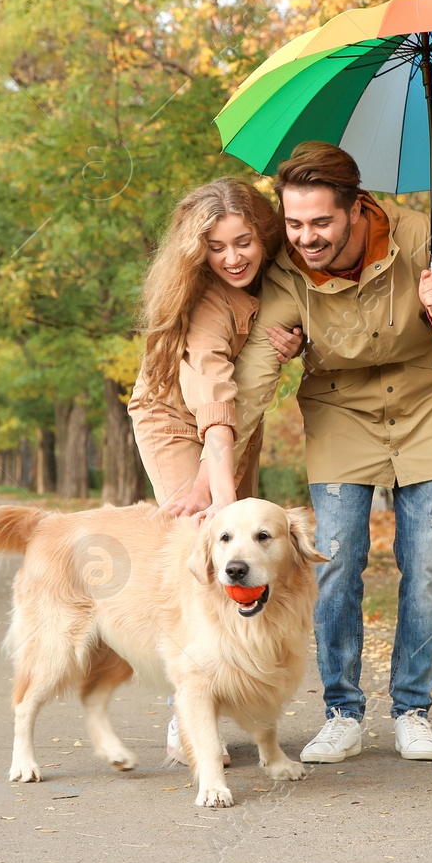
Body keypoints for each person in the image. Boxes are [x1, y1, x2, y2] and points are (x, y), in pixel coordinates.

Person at [207, 141, 432, 763]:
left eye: (320, 223)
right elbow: (255, 367)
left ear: (357, 208)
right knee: (333, 563)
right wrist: (218, 444)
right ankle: (342, 712)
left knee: (430, 564)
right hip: (339, 411)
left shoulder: (418, 235)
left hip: (425, 403)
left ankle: (413, 710)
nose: (305, 237)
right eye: (295, 222)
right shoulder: (287, 265)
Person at [128, 176, 302, 764]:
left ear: (264, 233)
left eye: (243, 242)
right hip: (177, 419)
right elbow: (213, 396)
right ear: (197, 251)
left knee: (243, 553)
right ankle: (189, 712)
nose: (232, 258)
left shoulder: (278, 275)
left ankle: (237, 695)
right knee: (204, 545)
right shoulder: (204, 303)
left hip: (234, 423)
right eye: (217, 247)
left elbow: (243, 390)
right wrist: (214, 489)